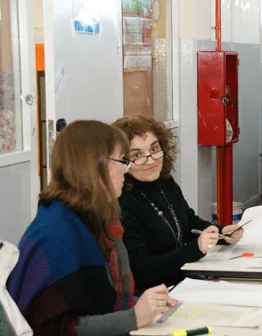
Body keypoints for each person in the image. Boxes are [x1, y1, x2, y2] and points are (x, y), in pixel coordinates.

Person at [7, 120, 176, 335]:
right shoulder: (57, 234)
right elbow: (51, 329)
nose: (127, 170)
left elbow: (104, 300)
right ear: (95, 166)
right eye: (123, 161)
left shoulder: (93, 218)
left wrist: (146, 304)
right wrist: (133, 317)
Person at [113, 116, 244, 291]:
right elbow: (140, 270)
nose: (150, 160)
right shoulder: (122, 201)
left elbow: (189, 223)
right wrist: (195, 248)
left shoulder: (164, 181)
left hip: (183, 280)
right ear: (123, 161)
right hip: (153, 294)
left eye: (154, 149)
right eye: (137, 155)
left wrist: (222, 232)